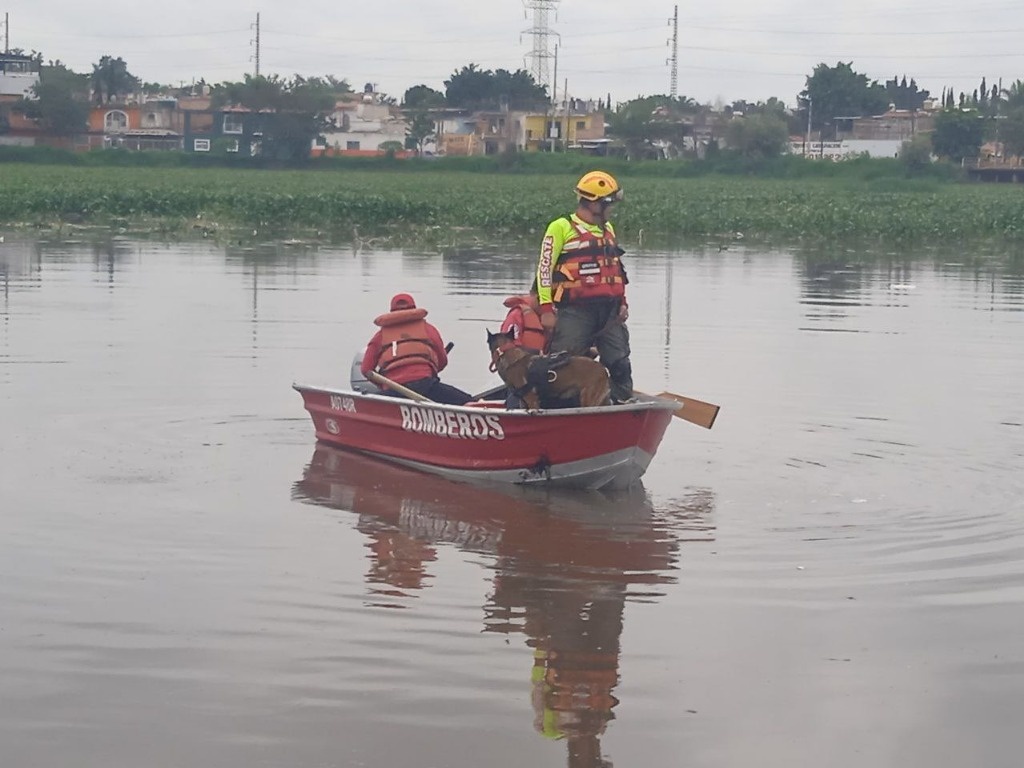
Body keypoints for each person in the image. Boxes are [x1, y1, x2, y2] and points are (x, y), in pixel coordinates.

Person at [535, 170, 634, 403]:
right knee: (564, 362)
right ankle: (558, 409)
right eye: (608, 203)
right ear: (592, 202)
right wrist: (546, 309)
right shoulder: (561, 227)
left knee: (619, 362)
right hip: (574, 310)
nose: (611, 209)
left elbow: (616, 271)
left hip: (609, 312)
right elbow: (544, 269)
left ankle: (620, 405)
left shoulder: (608, 230)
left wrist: (623, 303)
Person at [360, 292, 473, 405]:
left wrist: (385, 385)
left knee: (366, 404)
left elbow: (366, 369)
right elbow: (442, 361)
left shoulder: (380, 336)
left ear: (391, 310)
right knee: (469, 402)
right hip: (427, 386)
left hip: (394, 391)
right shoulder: (429, 330)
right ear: (414, 308)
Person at [499, 290, 547, 354]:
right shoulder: (516, 314)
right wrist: (538, 353)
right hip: (525, 361)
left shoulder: (551, 315)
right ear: (534, 295)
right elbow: (508, 347)